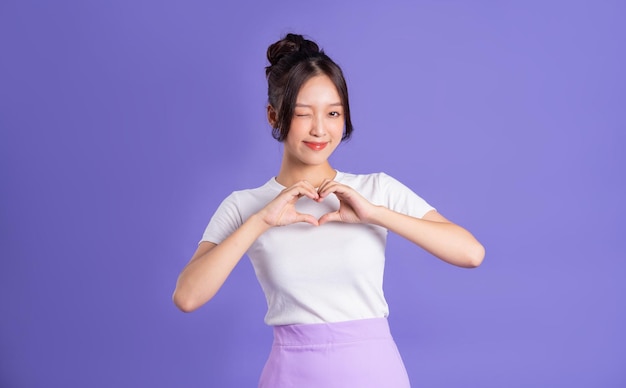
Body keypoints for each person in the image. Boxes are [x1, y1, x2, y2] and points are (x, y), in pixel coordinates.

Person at [173, 33, 485, 388]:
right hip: (288, 376)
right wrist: (261, 221)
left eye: (333, 113)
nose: (320, 129)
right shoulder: (245, 206)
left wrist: (375, 214)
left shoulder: (374, 190)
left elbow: (471, 253)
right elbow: (187, 296)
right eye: (303, 114)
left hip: (375, 375)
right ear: (274, 116)